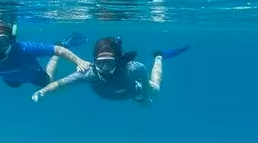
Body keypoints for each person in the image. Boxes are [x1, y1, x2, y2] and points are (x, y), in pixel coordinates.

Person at [31, 36, 190, 105]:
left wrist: (143, 97)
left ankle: (159, 57)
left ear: (118, 61)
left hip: (129, 92)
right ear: (94, 62)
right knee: (57, 88)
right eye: (101, 64)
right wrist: (43, 92)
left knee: (156, 90)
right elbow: (60, 83)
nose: (105, 69)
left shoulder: (134, 69)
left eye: (110, 63)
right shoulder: (89, 72)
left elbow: (147, 90)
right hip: (109, 93)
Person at [0, 20, 91, 92]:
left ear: (11, 40)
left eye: (3, 41)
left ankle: (57, 54)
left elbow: (59, 50)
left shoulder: (26, 49)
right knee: (14, 86)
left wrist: (79, 61)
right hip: (11, 80)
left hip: (35, 76)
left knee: (48, 83)